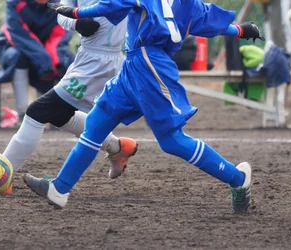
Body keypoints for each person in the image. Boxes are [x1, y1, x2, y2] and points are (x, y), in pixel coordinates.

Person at [23, 0, 264, 213]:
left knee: (171, 140)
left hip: (149, 64)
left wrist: (75, 12)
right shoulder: (188, 3)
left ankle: (237, 178)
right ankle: (59, 188)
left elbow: (111, 5)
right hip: (135, 64)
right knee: (97, 121)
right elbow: (209, 21)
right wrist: (241, 30)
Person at [0, 0, 137, 191]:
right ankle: (117, 147)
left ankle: (1, 175)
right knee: (59, 114)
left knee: (38, 111)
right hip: (86, 58)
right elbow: (62, 13)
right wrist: (76, 22)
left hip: (102, 64)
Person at [0, 0, 75, 129]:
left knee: (63, 64)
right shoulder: (15, 3)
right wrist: (44, 61)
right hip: (10, 46)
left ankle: (58, 115)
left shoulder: (59, 4)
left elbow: (59, 37)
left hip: (44, 50)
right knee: (20, 58)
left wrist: (52, 62)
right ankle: (22, 114)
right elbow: (19, 35)